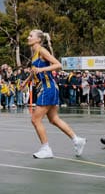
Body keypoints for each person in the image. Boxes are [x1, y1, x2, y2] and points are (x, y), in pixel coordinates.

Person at [28, 30, 86, 159]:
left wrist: (41, 69)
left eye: (31, 36)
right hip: (46, 87)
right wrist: (26, 81)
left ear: (38, 39)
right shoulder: (34, 54)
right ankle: (77, 140)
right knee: (54, 119)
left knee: (35, 119)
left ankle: (46, 149)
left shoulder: (42, 51)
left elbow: (58, 65)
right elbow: (34, 71)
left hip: (47, 87)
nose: (28, 37)